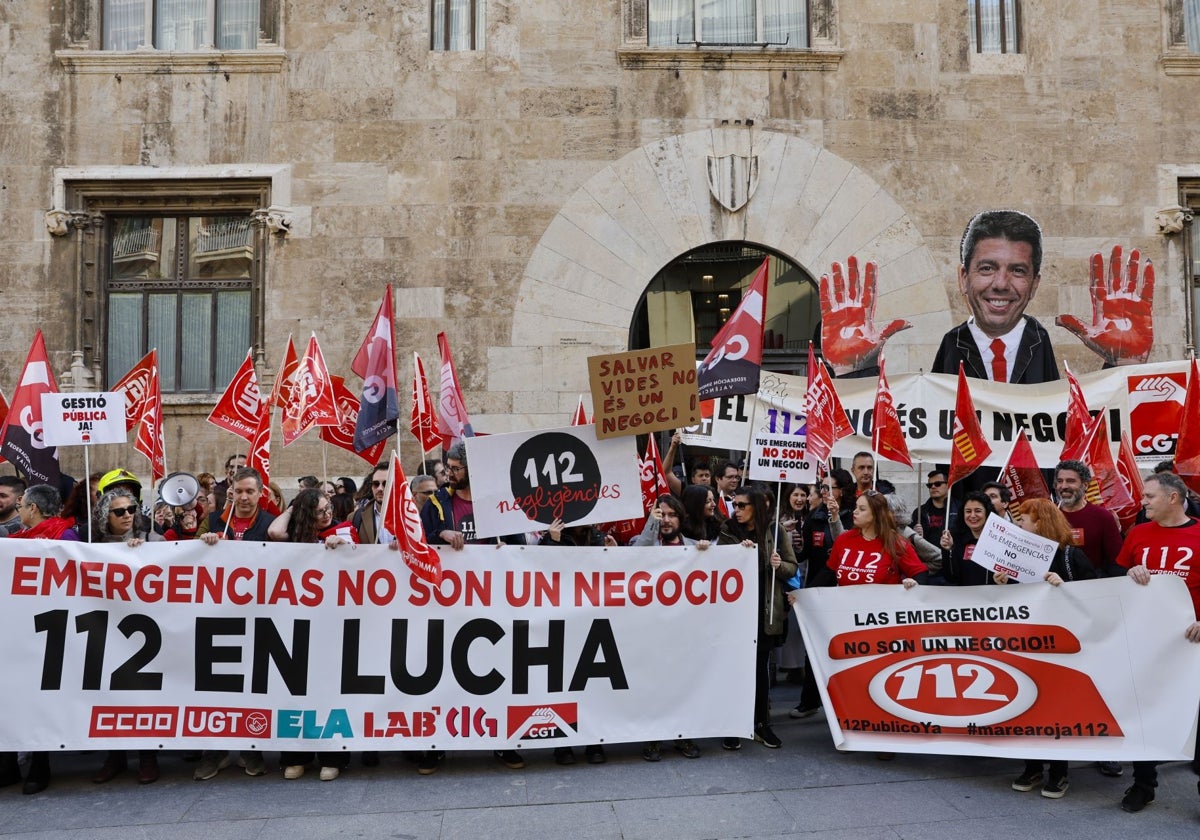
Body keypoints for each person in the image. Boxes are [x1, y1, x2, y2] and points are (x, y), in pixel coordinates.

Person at [419, 440, 524, 773]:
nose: (448, 473)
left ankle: (501, 742)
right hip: (447, 606)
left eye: (455, 468)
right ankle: (437, 746)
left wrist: (503, 548)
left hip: (492, 605)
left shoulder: (497, 503)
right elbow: (419, 542)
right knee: (444, 675)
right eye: (448, 467)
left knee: (494, 674)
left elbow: (519, 545)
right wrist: (442, 535)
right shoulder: (436, 503)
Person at [998, 498, 1097, 799]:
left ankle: (1058, 771)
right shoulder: (1016, 556)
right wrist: (1000, 583)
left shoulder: (1070, 557)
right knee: (1028, 704)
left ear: (1040, 522)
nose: (1018, 526)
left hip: (1061, 647)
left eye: (1023, 520)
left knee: (1056, 708)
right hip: (1026, 645)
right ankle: (1032, 766)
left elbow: (1095, 595)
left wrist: (1064, 586)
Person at [1114, 472, 1200, 812]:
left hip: (1192, 641)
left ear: (1173, 498)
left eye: (1149, 496)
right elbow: (1118, 577)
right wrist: (1129, 573)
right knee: (1143, 711)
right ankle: (1143, 784)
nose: (1143, 501)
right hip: (1146, 639)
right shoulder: (1137, 534)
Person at [269, 489, 359, 780]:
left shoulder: (344, 529)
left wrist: (340, 543)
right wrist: (294, 508)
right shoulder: (298, 537)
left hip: (334, 626)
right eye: (320, 511)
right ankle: (297, 756)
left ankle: (332, 757)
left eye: (329, 507)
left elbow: (357, 552)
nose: (327, 514)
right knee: (297, 694)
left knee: (330, 693)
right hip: (299, 625)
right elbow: (274, 531)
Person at [192, 467, 275, 781]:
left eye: (250, 492)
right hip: (217, 618)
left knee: (251, 685)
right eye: (238, 491)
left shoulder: (270, 525)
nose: (243, 497)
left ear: (260, 494)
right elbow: (188, 554)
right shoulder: (214, 522)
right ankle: (214, 752)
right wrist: (204, 541)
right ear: (231, 492)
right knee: (216, 686)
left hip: (257, 617)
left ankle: (251, 749)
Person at [0, 483, 80, 794]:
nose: (18, 510)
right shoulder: (16, 541)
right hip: (17, 630)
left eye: (21, 505)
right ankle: (7, 762)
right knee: (10, 696)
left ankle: (39, 764)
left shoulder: (65, 536)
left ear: (33, 509)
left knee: (39, 698)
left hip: (50, 630)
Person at [89, 487, 163, 786]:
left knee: (143, 695)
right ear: (105, 516)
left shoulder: (153, 541)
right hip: (105, 628)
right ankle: (115, 756)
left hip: (145, 632)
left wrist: (145, 553)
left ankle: (148, 757)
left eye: (132, 510)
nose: (128, 516)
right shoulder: (91, 544)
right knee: (110, 693)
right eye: (120, 511)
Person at [932, 210, 1059, 385]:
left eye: (1018, 271)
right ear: (964, 278)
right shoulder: (951, 346)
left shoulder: (1040, 342)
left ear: (1034, 284)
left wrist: (1111, 361)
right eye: (987, 268)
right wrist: (878, 366)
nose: (1001, 284)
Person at [717, 486, 797, 750]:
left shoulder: (775, 531)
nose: (736, 510)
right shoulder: (728, 530)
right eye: (735, 505)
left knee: (760, 671)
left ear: (757, 507)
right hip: (734, 615)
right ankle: (732, 725)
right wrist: (739, 552)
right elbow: (719, 565)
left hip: (764, 613)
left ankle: (760, 724)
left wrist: (777, 565)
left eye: (742, 506)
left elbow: (791, 567)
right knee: (733, 671)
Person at [827, 492, 927, 589]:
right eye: (856, 507)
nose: (855, 511)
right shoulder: (844, 539)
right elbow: (828, 573)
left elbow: (919, 573)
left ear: (876, 515)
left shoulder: (895, 542)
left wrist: (913, 584)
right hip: (846, 604)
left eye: (862, 509)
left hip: (883, 604)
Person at [1055, 459, 1124, 578]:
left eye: (1070, 481)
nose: (1064, 486)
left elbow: (1116, 562)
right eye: (1060, 481)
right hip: (1052, 590)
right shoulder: (1046, 515)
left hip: (1093, 590)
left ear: (1085, 485)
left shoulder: (1103, 517)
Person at [940, 491, 995, 586]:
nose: (972, 515)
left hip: (993, 597)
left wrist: (1002, 580)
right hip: (965, 598)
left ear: (987, 513)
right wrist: (948, 550)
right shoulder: (954, 538)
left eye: (978, 511)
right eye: (968, 511)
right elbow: (951, 577)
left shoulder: (998, 539)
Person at [352, 462, 395, 546]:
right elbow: (350, 548)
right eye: (376, 484)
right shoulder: (355, 517)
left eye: (385, 484)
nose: (380, 488)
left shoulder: (411, 517)